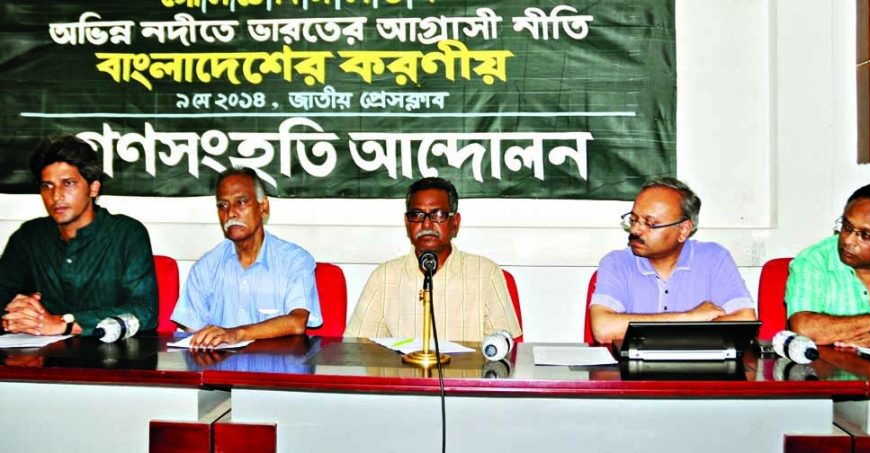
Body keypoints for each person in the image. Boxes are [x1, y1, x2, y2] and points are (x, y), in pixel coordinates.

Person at [0, 135, 158, 336]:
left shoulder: (126, 234)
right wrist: (15, 316)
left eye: (68, 183)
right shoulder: (28, 236)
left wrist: (64, 323)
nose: (56, 196)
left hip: (111, 359)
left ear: (93, 188)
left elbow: (145, 311)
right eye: (47, 186)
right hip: (42, 360)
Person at [344, 177, 522, 342]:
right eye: (417, 215)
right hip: (404, 375)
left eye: (438, 215)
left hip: (465, 375)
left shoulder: (485, 273)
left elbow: (504, 348)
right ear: (407, 223)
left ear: (455, 223)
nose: (427, 224)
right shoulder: (384, 278)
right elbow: (358, 348)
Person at [589, 177, 756, 344]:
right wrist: (689, 318)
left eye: (650, 223)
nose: (635, 229)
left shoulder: (714, 258)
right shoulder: (616, 263)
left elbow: (745, 321)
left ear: (683, 230)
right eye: (633, 220)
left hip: (702, 368)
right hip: (634, 368)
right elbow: (603, 329)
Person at [171, 168, 322, 348]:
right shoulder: (205, 267)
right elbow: (192, 334)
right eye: (223, 205)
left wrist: (237, 334)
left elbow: (297, 322)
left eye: (241, 202)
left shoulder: (294, 261)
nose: (231, 213)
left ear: (263, 207)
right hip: (220, 372)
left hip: (277, 372)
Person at [786, 183, 870, 347]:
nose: (848, 241)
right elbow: (804, 330)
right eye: (847, 227)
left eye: (866, 235)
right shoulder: (815, 260)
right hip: (833, 370)